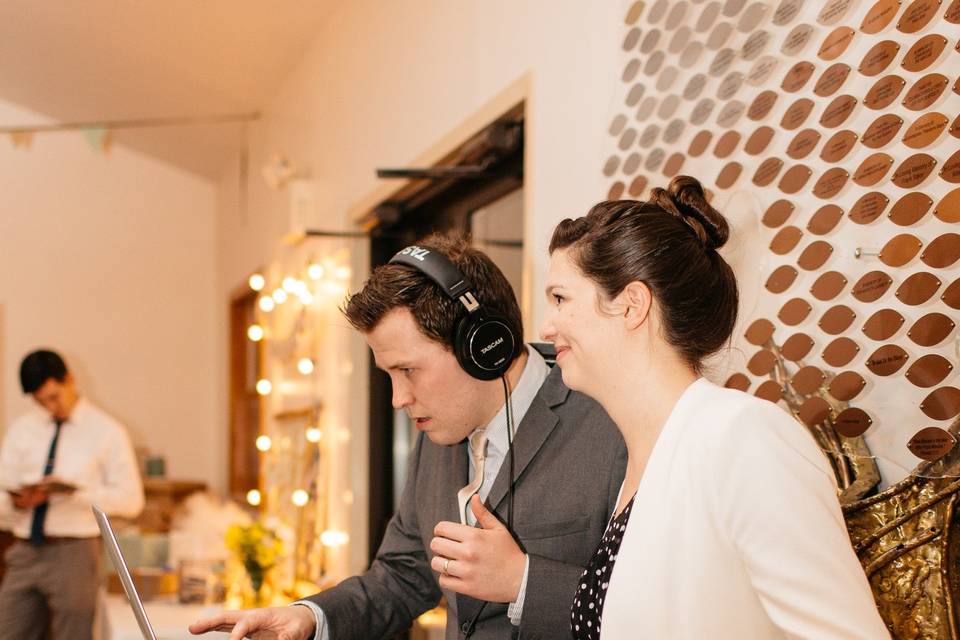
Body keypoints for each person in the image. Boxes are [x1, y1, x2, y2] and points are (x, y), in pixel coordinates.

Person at [190, 235, 626, 639]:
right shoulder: (437, 432)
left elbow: (656, 607)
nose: (398, 399)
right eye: (390, 375)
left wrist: (525, 581)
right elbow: (401, 576)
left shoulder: (612, 423)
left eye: (408, 370)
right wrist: (307, 617)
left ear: (482, 346)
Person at [540, 176, 890, 639]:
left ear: (631, 305)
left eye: (561, 299)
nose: (547, 327)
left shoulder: (742, 437)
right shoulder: (644, 463)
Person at [0, 349, 144, 640]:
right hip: (24, 550)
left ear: (69, 379)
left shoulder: (107, 431)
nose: (51, 407)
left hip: (75, 552)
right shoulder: (22, 430)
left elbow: (131, 500)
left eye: (54, 397)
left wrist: (76, 493)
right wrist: (17, 502)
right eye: (41, 402)